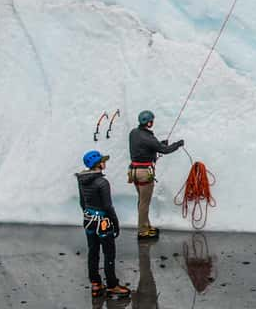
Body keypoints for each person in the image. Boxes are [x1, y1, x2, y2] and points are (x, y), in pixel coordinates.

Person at [76, 150, 132, 299]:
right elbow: (108, 206)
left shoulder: (81, 179)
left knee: (92, 252)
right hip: (103, 222)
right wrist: (115, 223)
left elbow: (82, 202)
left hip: (88, 220)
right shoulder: (102, 182)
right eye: (102, 161)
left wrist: (89, 215)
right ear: (98, 164)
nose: (104, 163)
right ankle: (113, 286)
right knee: (109, 254)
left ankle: (95, 284)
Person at [128, 110, 184, 239]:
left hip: (133, 171)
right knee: (144, 203)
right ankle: (143, 231)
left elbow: (143, 147)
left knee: (141, 201)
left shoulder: (133, 133)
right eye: (151, 120)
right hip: (144, 173)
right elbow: (164, 150)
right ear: (149, 122)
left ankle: (146, 225)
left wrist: (157, 146)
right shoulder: (149, 138)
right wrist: (177, 144)